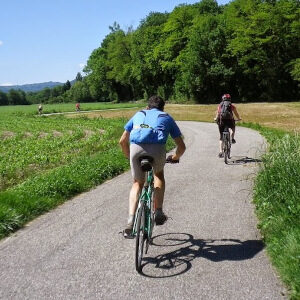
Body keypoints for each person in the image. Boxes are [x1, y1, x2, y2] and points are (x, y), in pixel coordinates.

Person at [119, 95, 186, 238]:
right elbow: (181, 146)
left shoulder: (139, 114)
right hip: (157, 149)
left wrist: (129, 156)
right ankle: (159, 211)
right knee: (158, 175)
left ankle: (130, 222)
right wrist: (174, 157)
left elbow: (122, 141)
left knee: (137, 182)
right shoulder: (166, 117)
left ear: (147, 107)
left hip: (136, 149)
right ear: (162, 107)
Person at [214, 94, 241, 158]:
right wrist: (239, 118)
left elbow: (218, 113)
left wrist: (215, 118)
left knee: (221, 137)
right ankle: (232, 138)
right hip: (230, 121)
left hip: (222, 121)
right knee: (233, 127)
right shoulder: (231, 106)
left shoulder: (220, 105)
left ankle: (220, 152)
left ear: (222, 99)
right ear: (230, 99)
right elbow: (236, 113)